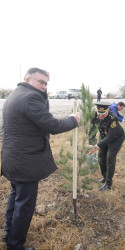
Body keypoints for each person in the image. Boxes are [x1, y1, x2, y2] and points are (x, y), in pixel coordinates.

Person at [1, 67, 80, 250]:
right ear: (28, 79)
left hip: (13, 159)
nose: (44, 86)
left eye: (46, 83)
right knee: (25, 205)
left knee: (16, 197)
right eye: (40, 82)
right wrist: (74, 120)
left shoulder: (16, 94)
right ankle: (15, 244)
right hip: (24, 162)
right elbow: (52, 125)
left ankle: (8, 233)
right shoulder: (30, 97)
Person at [88, 102, 125, 191]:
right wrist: (91, 144)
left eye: (103, 114)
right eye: (99, 114)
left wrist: (97, 146)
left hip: (116, 138)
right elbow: (92, 130)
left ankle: (108, 184)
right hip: (104, 137)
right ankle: (104, 177)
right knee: (101, 156)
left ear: (107, 110)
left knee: (110, 158)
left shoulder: (113, 118)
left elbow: (110, 136)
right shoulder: (95, 116)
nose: (100, 116)